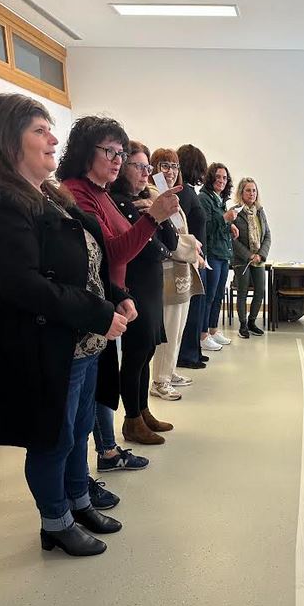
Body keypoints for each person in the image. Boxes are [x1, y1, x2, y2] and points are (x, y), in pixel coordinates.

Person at [0, 93, 126, 556]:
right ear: (9, 140)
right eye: (40, 131)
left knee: (77, 429)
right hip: (50, 343)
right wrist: (98, 312)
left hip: (82, 342)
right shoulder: (7, 202)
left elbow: (88, 260)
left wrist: (117, 295)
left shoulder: (49, 194)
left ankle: (78, 500)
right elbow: (25, 285)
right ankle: (55, 521)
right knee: (53, 438)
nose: (53, 139)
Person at [58, 116, 181, 469]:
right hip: (92, 305)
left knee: (99, 387)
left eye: (120, 152)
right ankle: (94, 465)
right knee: (81, 408)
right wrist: (153, 218)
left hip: (111, 297)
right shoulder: (77, 193)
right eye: (110, 152)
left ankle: (106, 453)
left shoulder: (101, 193)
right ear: (86, 151)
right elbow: (112, 252)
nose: (117, 159)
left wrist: (119, 292)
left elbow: (132, 249)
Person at [110, 141, 179, 440]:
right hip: (135, 286)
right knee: (136, 354)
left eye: (147, 167)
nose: (145, 173)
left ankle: (143, 410)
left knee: (148, 350)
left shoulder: (142, 201)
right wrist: (154, 217)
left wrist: (155, 210)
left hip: (151, 286)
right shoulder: (119, 202)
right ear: (123, 167)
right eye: (138, 166)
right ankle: (132, 419)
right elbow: (156, 250)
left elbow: (171, 242)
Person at [149, 148, 204, 400]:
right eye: (164, 165)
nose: (170, 171)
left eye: (174, 166)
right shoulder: (153, 195)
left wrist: (191, 248)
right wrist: (193, 248)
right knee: (169, 327)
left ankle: (169, 372)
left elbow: (180, 233)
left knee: (179, 326)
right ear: (154, 168)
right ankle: (159, 381)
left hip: (182, 267)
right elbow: (168, 238)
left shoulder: (171, 196)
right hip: (167, 269)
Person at [177, 144, 209, 369]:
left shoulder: (188, 192)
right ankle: (187, 355)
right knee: (192, 310)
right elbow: (182, 228)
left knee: (198, 308)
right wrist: (195, 254)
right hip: (191, 258)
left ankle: (194, 351)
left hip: (197, 257)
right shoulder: (185, 193)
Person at [199, 163, 238, 351]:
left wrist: (230, 226)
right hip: (212, 253)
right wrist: (225, 219)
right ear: (210, 178)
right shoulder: (204, 198)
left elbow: (220, 224)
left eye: (224, 177)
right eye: (218, 177)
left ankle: (213, 330)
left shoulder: (220, 199)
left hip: (223, 253)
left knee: (218, 295)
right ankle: (203, 334)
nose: (221, 181)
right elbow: (205, 227)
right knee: (209, 295)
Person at [232, 177, 271, 339]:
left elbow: (267, 235)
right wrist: (249, 255)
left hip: (259, 259)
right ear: (241, 192)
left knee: (260, 291)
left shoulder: (260, 211)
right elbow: (232, 240)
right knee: (242, 292)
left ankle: (252, 322)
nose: (252, 193)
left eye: (254, 190)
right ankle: (242, 325)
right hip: (242, 260)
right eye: (248, 190)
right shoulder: (235, 212)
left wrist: (261, 255)